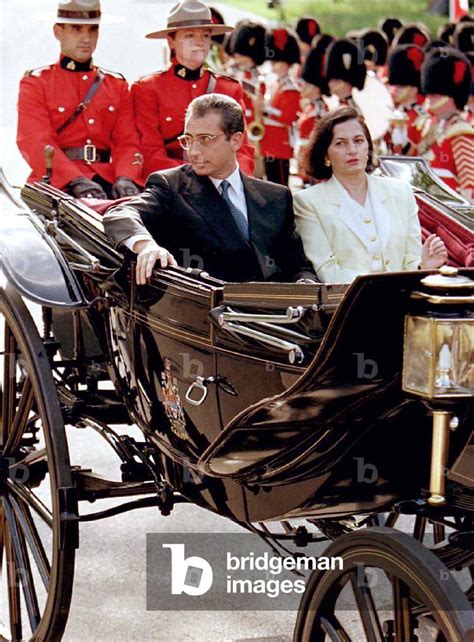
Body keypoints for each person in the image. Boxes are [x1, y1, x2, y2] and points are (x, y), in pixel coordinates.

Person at [103, 94, 317, 285]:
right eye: (188, 140)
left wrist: (306, 284)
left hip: (278, 318)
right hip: (209, 317)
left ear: (236, 140)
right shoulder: (171, 185)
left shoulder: (276, 196)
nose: (193, 151)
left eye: (205, 139)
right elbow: (120, 213)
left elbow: (297, 265)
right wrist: (146, 245)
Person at [293, 107, 448, 283]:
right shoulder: (308, 202)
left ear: (368, 146)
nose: (352, 150)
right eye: (340, 143)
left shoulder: (401, 192)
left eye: (358, 141)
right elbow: (327, 271)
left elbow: (411, 261)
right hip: (348, 305)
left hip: (404, 302)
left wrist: (424, 266)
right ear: (325, 155)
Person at [17, 0, 142, 199]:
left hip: (108, 184)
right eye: (76, 29)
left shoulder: (116, 85)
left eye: (93, 30)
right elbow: (35, 140)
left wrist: (126, 177)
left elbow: (127, 142)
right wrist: (74, 179)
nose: (86, 38)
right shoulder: (36, 83)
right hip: (57, 184)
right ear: (58, 32)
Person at [131, 0, 255, 177]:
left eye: (205, 36)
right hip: (173, 183)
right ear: (171, 41)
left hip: (222, 182)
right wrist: (195, 177)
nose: (200, 42)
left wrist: (236, 181)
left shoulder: (228, 88)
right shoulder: (148, 88)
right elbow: (150, 153)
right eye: (190, 36)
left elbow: (241, 148)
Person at [418, 47, 474, 199]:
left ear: (449, 97)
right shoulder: (433, 126)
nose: (429, 100)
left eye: (434, 95)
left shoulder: (461, 132)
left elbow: (469, 183)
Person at [257, 28, 301, 185]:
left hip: (280, 146)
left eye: (276, 62)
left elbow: (288, 117)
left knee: (280, 185)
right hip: (269, 144)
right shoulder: (276, 85)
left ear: (286, 63)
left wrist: (265, 110)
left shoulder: (291, 89)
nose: (273, 65)